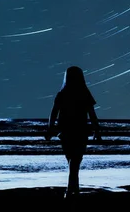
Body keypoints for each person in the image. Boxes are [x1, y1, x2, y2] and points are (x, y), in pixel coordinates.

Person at [45, 66, 102, 198]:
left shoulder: (62, 94)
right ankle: (72, 189)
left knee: (72, 159)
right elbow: (92, 114)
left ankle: (72, 188)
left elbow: (53, 113)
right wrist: (97, 130)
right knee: (75, 159)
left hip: (65, 131)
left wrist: (50, 128)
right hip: (80, 131)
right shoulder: (84, 93)